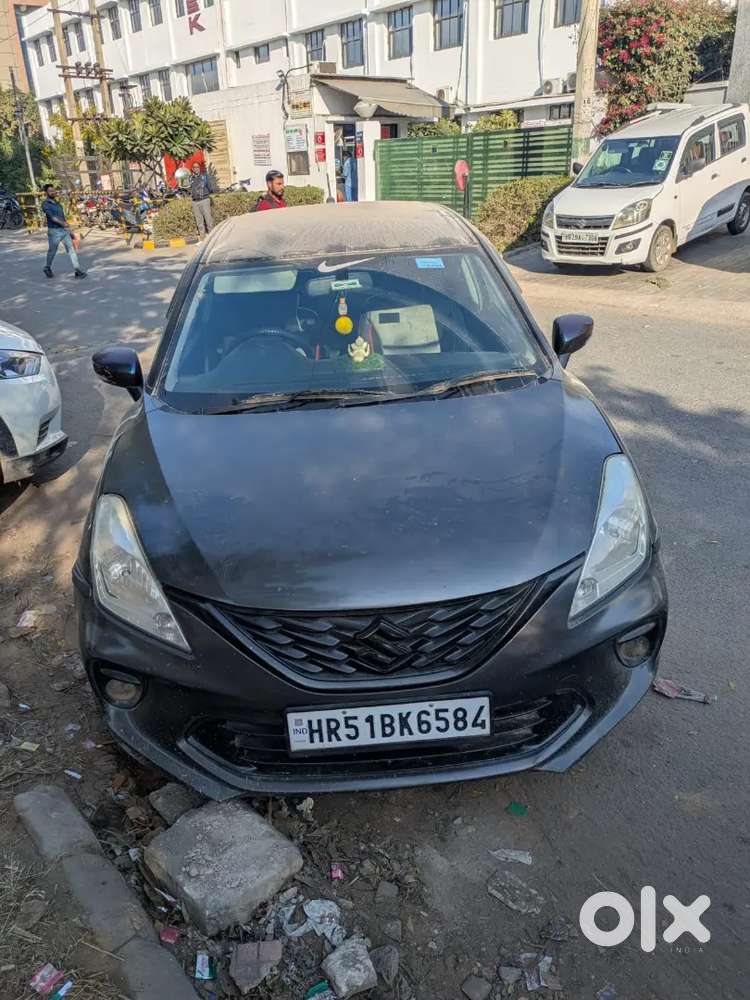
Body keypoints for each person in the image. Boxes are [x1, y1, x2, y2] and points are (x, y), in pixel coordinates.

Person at [42, 184, 86, 279]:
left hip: (64, 230)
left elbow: (62, 217)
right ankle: (47, 267)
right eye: (50, 191)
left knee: (71, 250)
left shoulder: (57, 204)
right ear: (46, 193)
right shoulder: (45, 204)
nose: (53, 192)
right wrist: (63, 223)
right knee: (52, 251)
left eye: (53, 190)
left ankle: (77, 270)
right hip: (54, 232)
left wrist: (69, 230)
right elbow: (52, 218)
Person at [189, 162, 216, 238]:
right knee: (199, 220)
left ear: (199, 168)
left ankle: (211, 236)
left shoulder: (204, 177)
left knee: (208, 218)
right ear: (192, 169)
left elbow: (210, 187)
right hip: (195, 201)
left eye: (197, 167)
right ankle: (202, 237)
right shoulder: (190, 178)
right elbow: (188, 188)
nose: (196, 168)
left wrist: (207, 193)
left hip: (204, 200)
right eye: (194, 167)